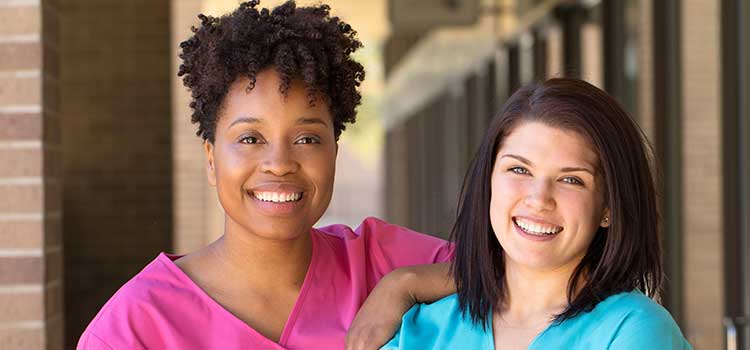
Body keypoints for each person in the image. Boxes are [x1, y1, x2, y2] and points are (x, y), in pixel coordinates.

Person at [76, 1, 452, 349]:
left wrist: (403, 285)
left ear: (333, 154)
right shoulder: (134, 327)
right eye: (250, 138)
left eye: (307, 138)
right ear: (211, 160)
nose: (279, 162)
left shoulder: (381, 262)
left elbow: (505, 269)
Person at [350, 78, 692, 350]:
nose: (539, 198)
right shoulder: (421, 332)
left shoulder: (633, 331)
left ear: (609, 208)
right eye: (519, 170)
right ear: (489, 181)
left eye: (571, 179)